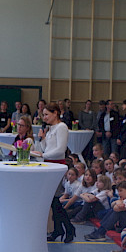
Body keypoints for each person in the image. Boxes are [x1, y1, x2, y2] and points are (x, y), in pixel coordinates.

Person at [36, 103, 74, 243]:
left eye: (46, 114)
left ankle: (67, 229)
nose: (44, 117)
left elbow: (60, 150)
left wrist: (42, 155)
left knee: (54, 200)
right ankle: (61, 229)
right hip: (49, 165)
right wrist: (43, 139)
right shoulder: (51, 129)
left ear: (55, 113)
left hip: (57, 166)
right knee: (53, 201)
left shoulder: (61, 127)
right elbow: (45, 149)